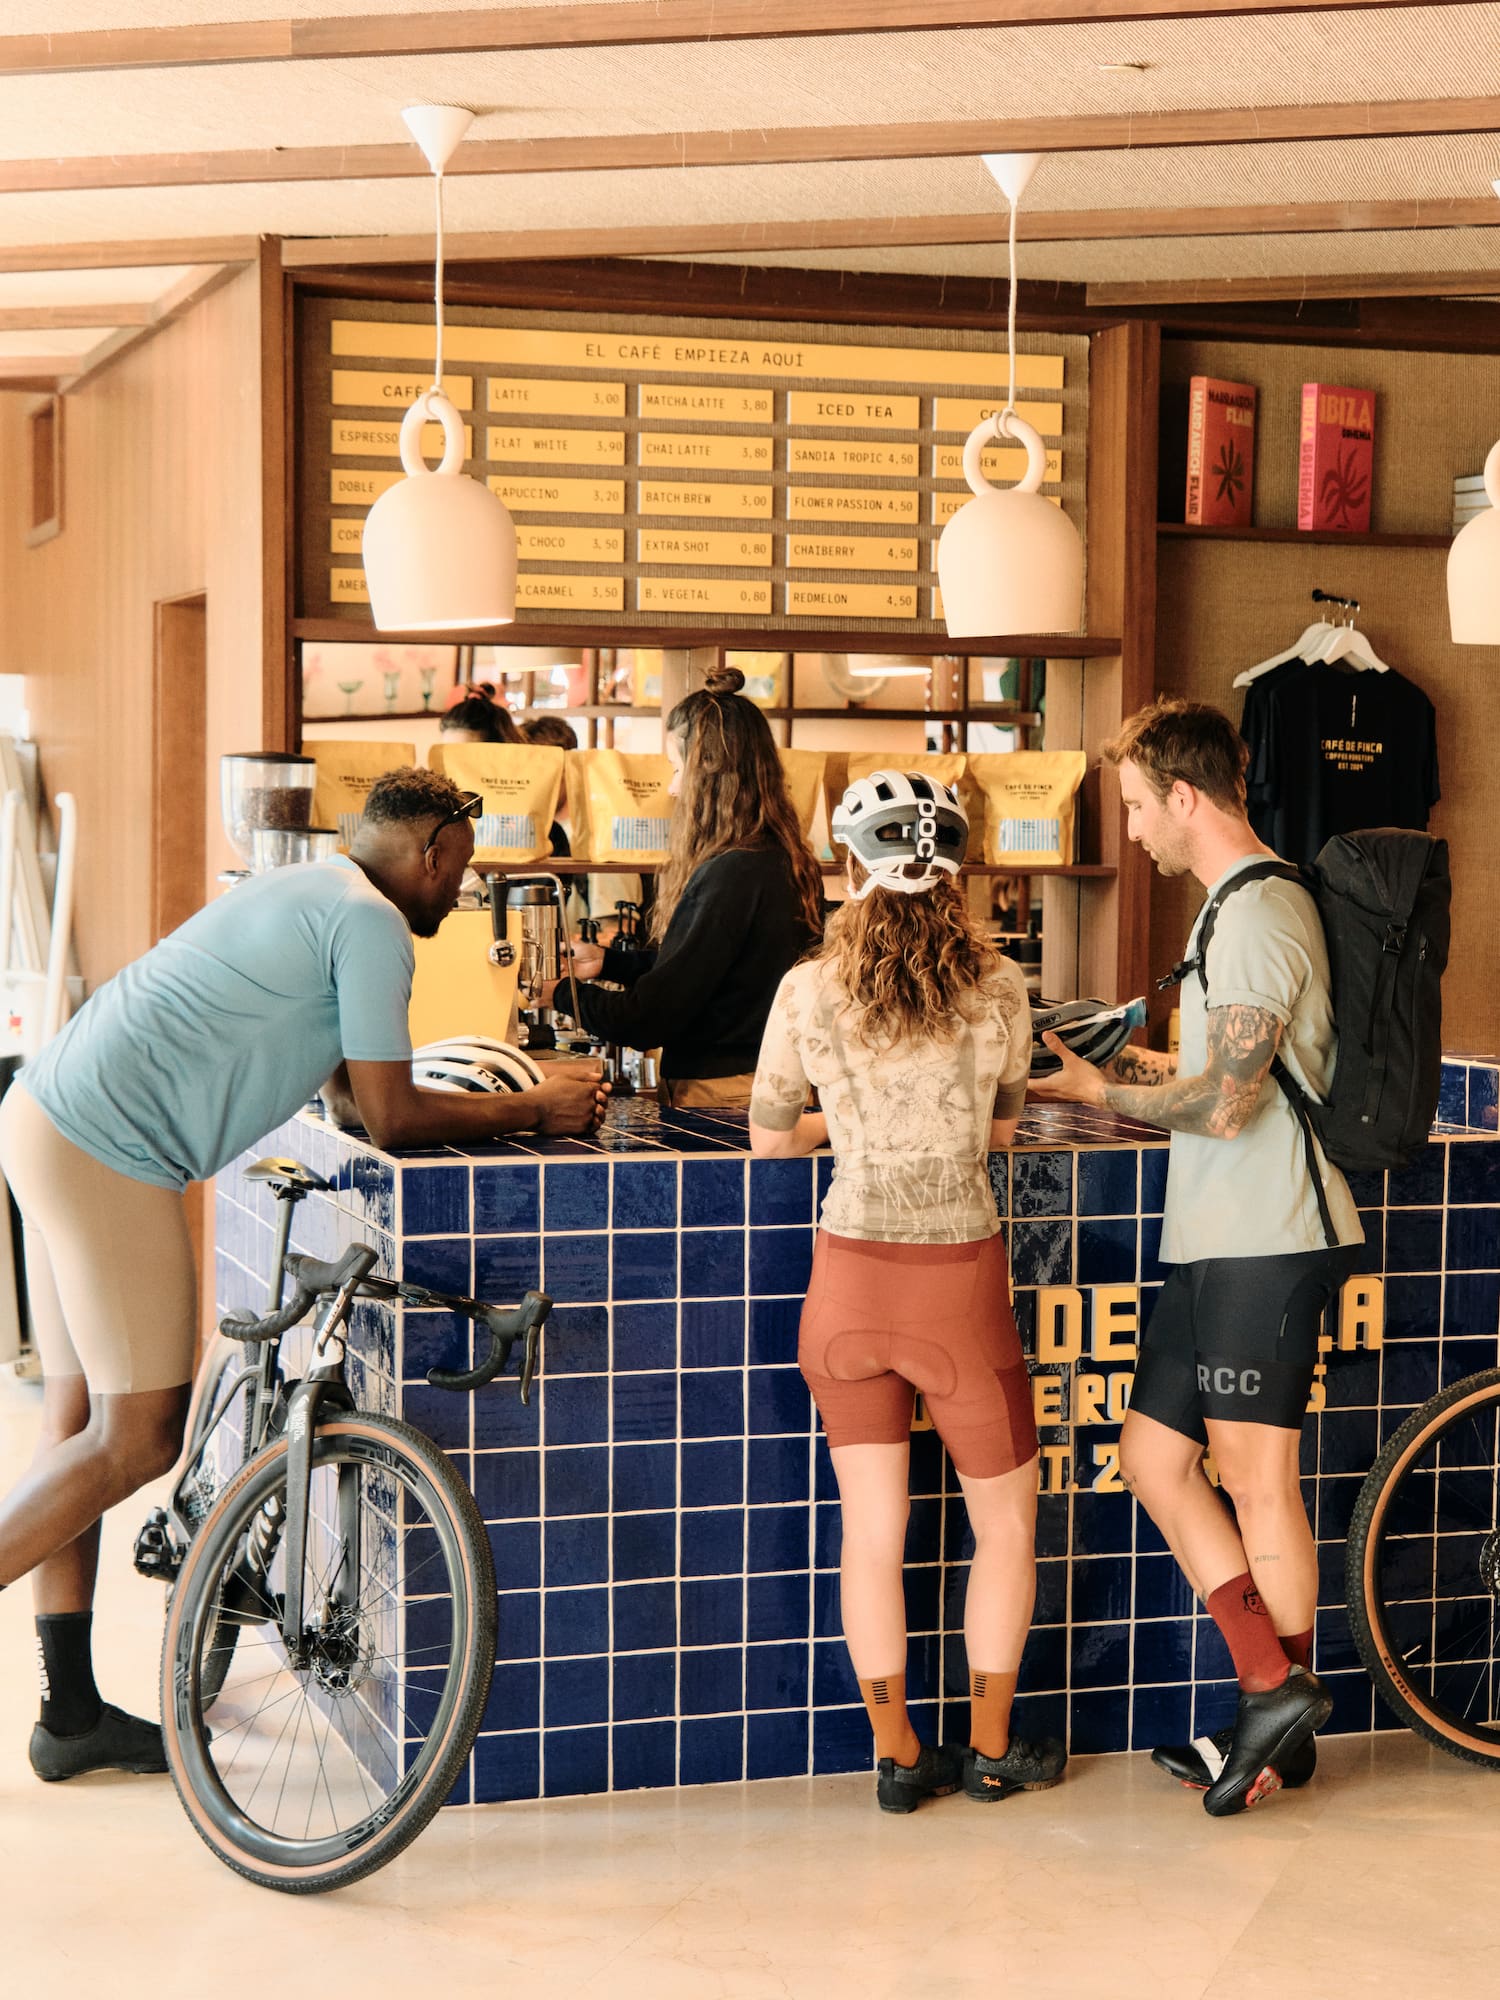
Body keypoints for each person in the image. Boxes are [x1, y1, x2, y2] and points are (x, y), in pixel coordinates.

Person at [0, 766, 605, 1782]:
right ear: (430, 850)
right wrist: (534, 1105)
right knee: (138, 1434)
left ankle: (68, 1711)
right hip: (107, 1150)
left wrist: (485, 1100)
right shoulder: (368, 920)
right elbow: (400, 1115)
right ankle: (65, 1709)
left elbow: (358, 1103)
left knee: (78, 1419)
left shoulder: (311, 891)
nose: (461, 891)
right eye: (459, 867)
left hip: (44, 1114)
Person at [1030, 698, 1358, 1817]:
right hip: (1217, 1236)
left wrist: (1098, 1090)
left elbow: (1231, 1100)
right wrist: (1121, 1059)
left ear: (1186, 793)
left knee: (1260, 1481)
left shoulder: (1263, 909)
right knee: (1155, 1459)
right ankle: (1275, 1692)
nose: (1131, 832)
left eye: (1133, 805)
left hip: (1270, 1233)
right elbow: (1224, 1065)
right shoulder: (1227, 911)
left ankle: (1276, 1715)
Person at [749, 770, 1065, 1814]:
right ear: (958, 869)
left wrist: (848, 1119)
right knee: (1005, 1527)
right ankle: (987, 1746)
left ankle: (897, 1754)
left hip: (844, 1284)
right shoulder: (1003, 985)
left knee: (871, 1529)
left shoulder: (805, 989)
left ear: (849, 865)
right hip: (959, 1290)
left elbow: (767, 1133)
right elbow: (1005, 1128)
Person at [544, 666, 825, 1109]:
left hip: (724, 1092)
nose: (674, 789)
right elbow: (714, 968)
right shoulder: (779, 856)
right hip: (766, 1080)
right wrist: (611, 963)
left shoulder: (730, 873)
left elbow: (648, 1018)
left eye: (678, 769)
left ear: (709, 774)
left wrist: (559, 991)